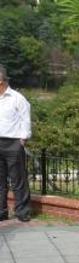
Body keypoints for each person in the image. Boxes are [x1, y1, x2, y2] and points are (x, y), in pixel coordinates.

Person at [0, 64, 32, 222]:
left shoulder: (17, 98)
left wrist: (23, 139)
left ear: (1, 79)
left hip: (13, 142)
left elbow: (26, 118)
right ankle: (1, 212)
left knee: (18, 179)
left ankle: (22, 212)